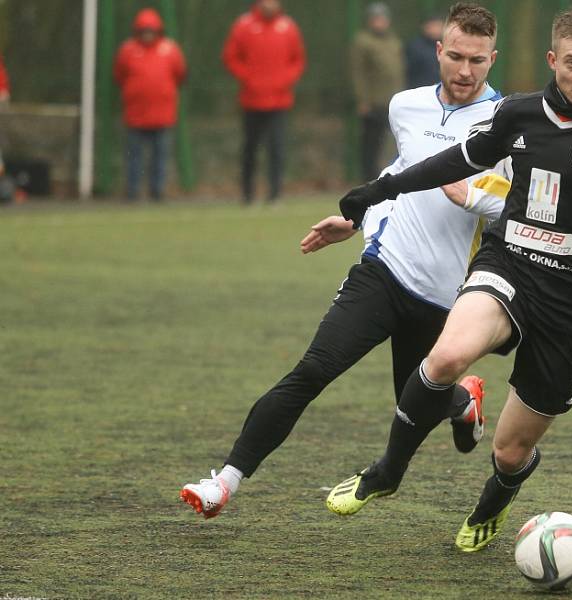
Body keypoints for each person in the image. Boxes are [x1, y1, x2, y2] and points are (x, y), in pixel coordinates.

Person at [328, 4, 572, 553]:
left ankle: (497, 496)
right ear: (552, 60)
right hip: (509, 265)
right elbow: (455, 160)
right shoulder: (517, 113)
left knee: (509, 451)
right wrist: (380, 190)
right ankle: (388, 471)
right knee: (444, 358)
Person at [180, 3, 510, 520]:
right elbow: (399, 171)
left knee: (415, 400)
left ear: (493, 59)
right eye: (456, 57)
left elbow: (522, 201)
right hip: (382, 272)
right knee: (313, 369)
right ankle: (224, 481)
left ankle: (461, 402)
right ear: (438, 51)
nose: (465, 72)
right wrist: (354, 220)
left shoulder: (506, 123)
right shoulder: (405, 106)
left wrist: (471, 194)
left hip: (446, 296)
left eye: (477, 60)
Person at [223, 0, 306, 204]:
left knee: (276, 149)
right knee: (250, 149)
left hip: (279, 101)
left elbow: (298, 60)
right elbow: (230, 57)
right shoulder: (244, 25)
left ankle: (275, 194)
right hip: (251, 100)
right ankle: (247, 194)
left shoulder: (288, 26)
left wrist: (285, 80)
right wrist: (248, 78)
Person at [113, 9, 186, 201]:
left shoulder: (169, 49)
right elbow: (119, 75)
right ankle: (132, 191)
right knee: (134, 156)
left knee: (160, 158)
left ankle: (157, 191)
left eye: (151, 31)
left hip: (162, 115)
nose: (147, 35)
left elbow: (180, 74)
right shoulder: (128, 50)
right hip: (135, 114)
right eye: (144, 31)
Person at [350, 2, 404, 181]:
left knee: (393, 143)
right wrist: (363, 100)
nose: (379, 23)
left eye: (382, 19)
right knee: (371, 145)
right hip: (374, 102)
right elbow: (358, 72)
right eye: (376, 19)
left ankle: (389, 177)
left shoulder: (393, 40)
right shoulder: (363, 41)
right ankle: (368, 179)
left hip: (393, 101)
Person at [405, 14, 445, 89]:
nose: (436, 29)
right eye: (433, 26)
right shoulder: (415, 47)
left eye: (439, 26)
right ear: (426, 27)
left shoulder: (446, 46)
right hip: (420, 89)